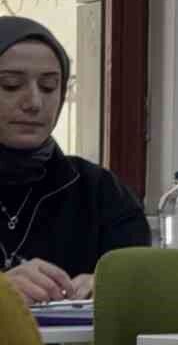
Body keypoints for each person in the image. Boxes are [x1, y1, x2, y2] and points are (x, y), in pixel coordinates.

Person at [0, 17, 147, 304]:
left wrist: (108, 283)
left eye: (49, 87)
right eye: (10, 85)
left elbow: (142, 279)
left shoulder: (100, 191)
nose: (33, 102)